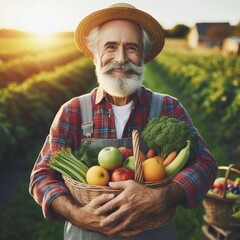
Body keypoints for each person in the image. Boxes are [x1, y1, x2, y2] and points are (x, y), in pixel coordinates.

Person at [29, 3, 217, 240]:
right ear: (95, 55)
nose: (120, 58)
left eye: (131, 48)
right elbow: (42, 175)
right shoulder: (73, 111)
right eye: (110, 46)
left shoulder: (168, 107)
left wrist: (166, 196)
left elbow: (205, 163)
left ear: (143, 57)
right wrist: (77, 214)